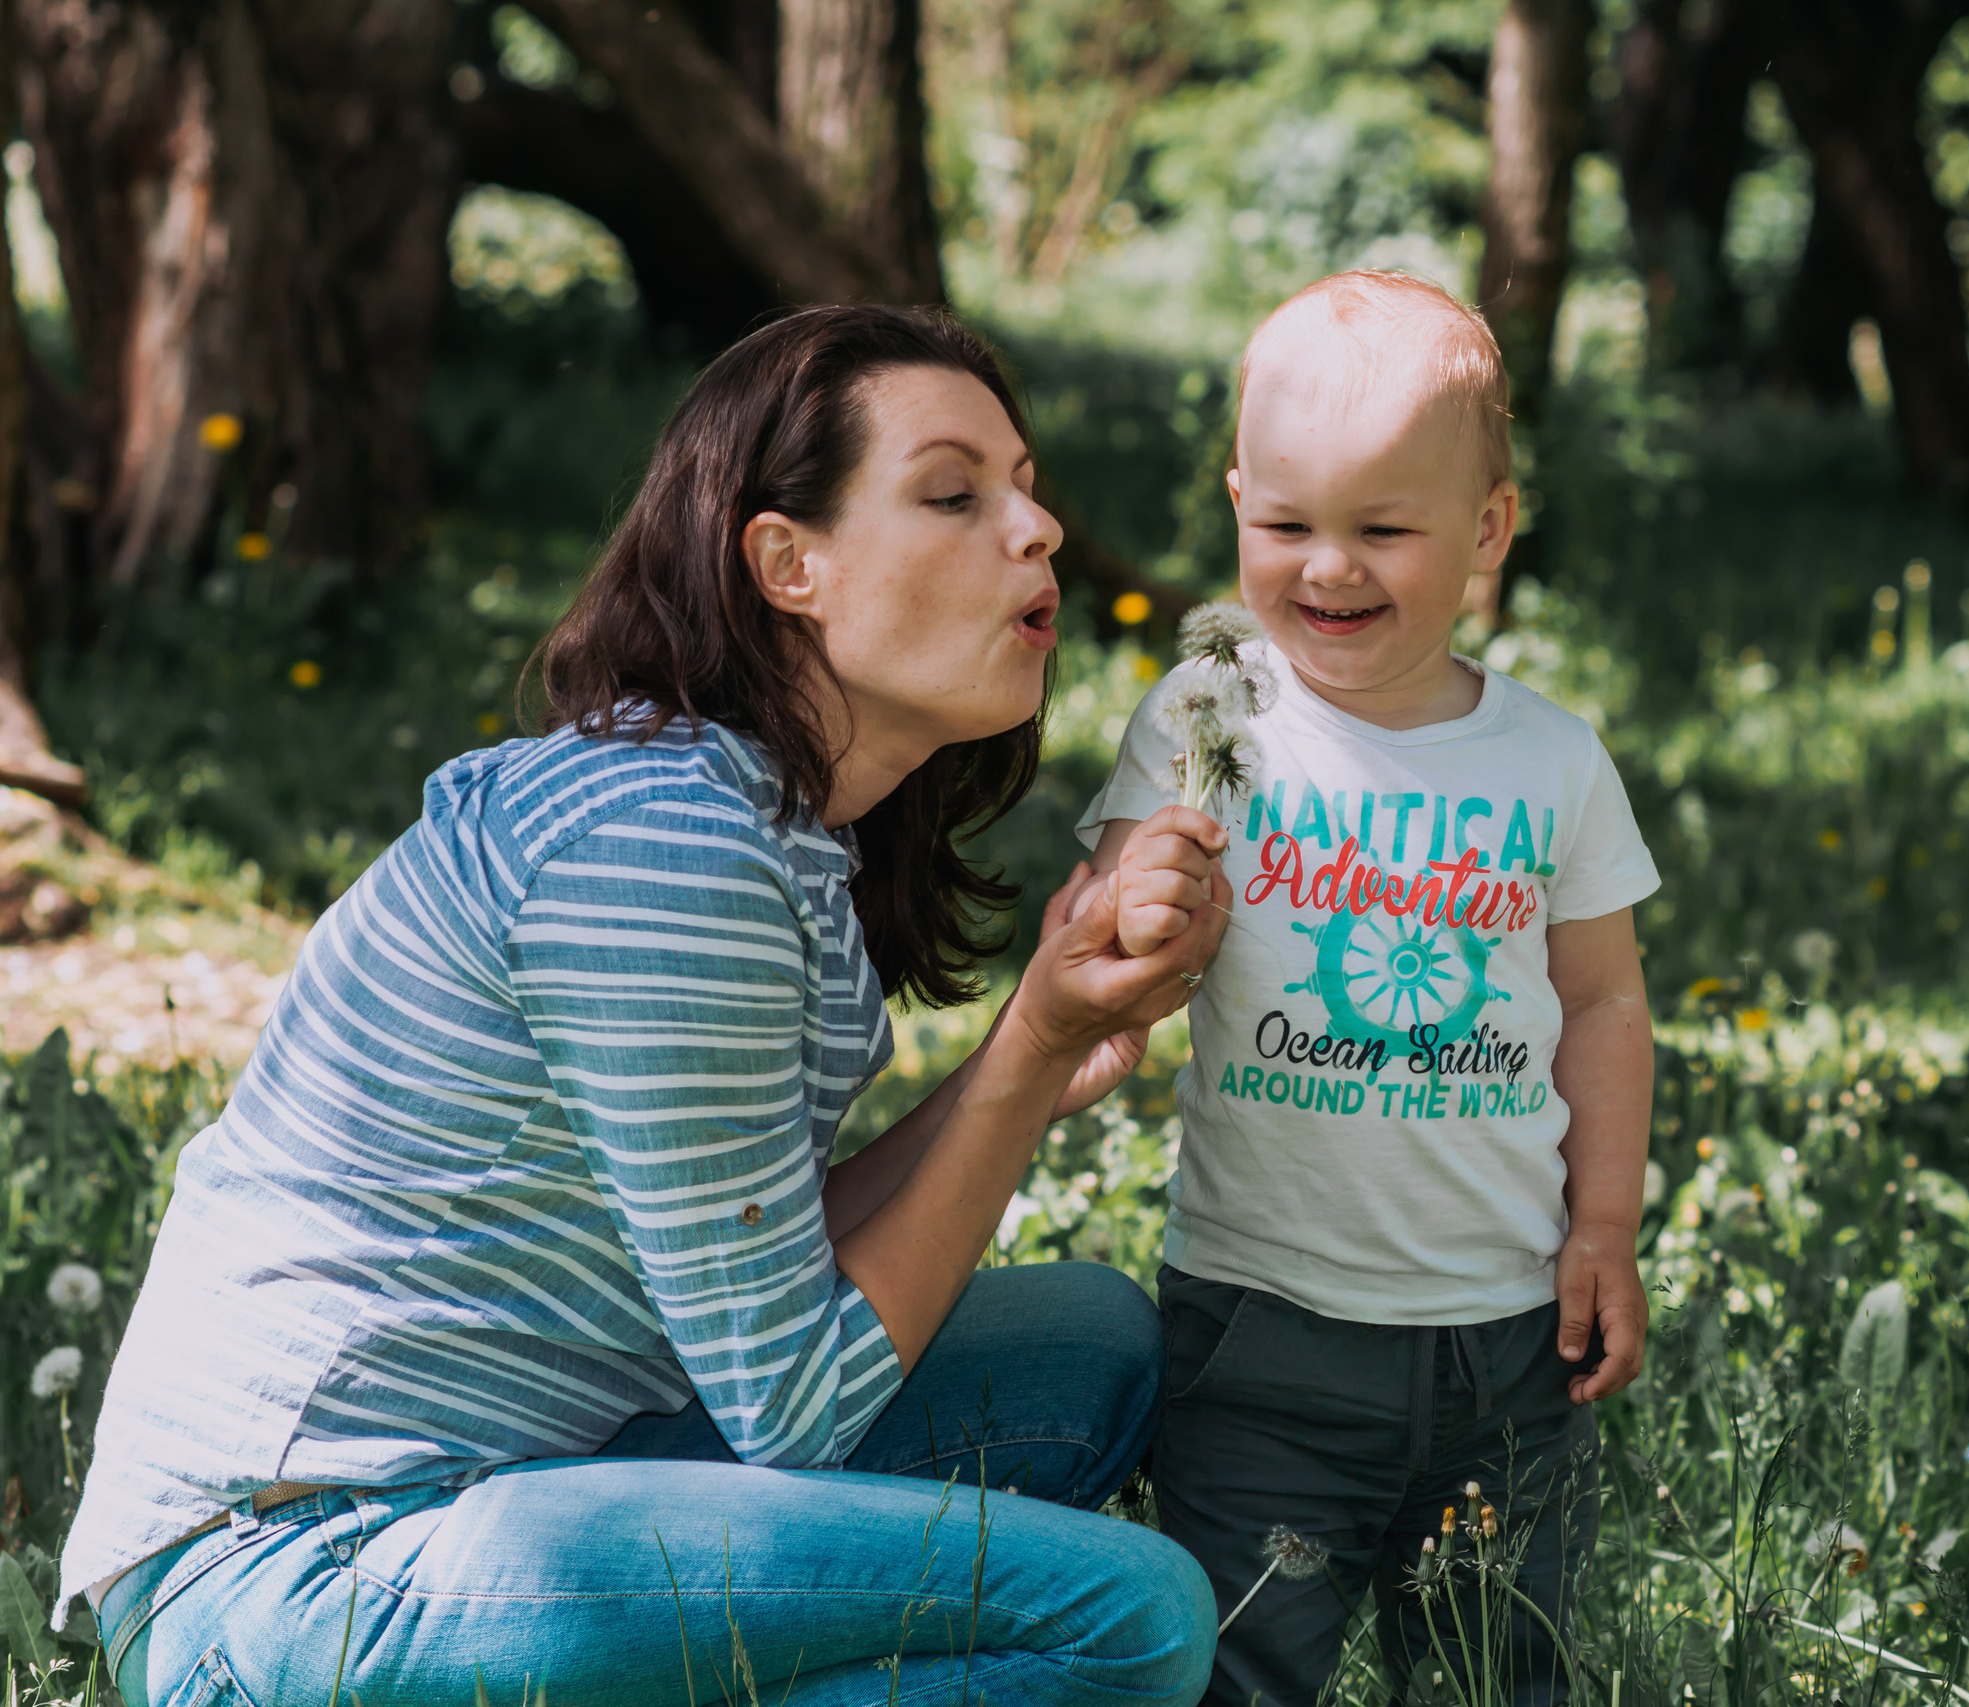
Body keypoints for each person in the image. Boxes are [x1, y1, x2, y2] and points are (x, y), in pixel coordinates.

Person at [60, 305, 1228, 1707]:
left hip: (530, 1470)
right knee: (1132, 1622)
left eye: (1025, 488)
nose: (1037, 529)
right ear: (787, 565)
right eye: (953, 495)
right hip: (297, 1573)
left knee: (1092, 1351)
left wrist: (1031, 1052)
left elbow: (767, 1285)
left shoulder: (759, 818)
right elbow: (797, 1408)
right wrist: (1028, 1050)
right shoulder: (662, 850)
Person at [1073, 271, 1662, 1706]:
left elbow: (1601, 1004)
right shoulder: (1209, 720)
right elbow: (1098, 935)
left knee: (1495, 1669)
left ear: (1489, 530)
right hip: (1262, 1323)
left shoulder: (1552, 760)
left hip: (1508, 1333)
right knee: (1238, 1664)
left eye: (1382, 531)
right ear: (1236, 504)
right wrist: (1127, 919)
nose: (1328, 568)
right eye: (1285, 526)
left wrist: (1603, 1224)